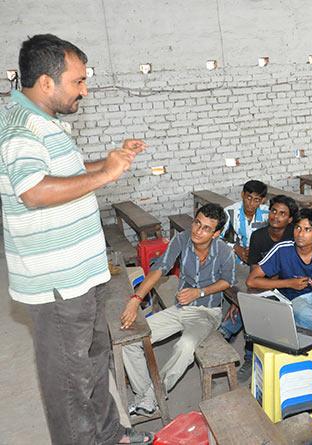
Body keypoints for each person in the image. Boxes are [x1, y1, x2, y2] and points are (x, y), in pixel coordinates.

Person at [0, 34, 151, 444]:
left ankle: (109, 436)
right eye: (78, 81)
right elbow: (34, 190)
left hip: (80, 280)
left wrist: (108, 160)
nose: (84, 90)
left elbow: (61, 172)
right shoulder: (21, 128)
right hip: (58, 286)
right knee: (69, 384)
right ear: (47, 82)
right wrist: (105, 175)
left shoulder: (45, 123)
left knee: (93, 362)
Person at [121, 204, 235, 415]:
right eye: (197, 223)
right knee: (131, 341)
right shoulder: (182, 239)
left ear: (216, 233)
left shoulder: (224, 252)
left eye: (206, 228)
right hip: (181, 308)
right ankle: (146, 396)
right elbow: (159, 268)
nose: (198, 231)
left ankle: (153, 395)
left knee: (185, 346)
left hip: (206, 313)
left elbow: (227, 281)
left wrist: (199, 292)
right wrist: (136, 299)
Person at [246, 208, 312, 359]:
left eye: (307, 230)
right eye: (297, 228)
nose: (300, 234)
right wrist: (288, 283)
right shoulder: (282, 250)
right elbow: (251, 281)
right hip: (295, 299)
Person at [220, 194, 299, 381]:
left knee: (256, 307)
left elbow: (290, 272)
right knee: (248, 302)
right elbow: (254, 271)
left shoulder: (294, 236)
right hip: (265, 285)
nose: (276, 217)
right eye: (273, 211)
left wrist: (257, 291)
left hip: (290, 286)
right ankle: (231, 339)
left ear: (289, 219)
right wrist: (242, 299)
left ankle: (242, 348)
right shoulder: (258, 236)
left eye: (282, 214)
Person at [221, 180, 269, 264]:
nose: (251, 203)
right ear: (242, 195)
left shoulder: (268, 214)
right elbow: (217, 237)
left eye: (256, 200)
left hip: (263, 259)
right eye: (248, 198)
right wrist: (235, 248)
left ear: (263, 200)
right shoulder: (230, 212)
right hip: (237, 259)